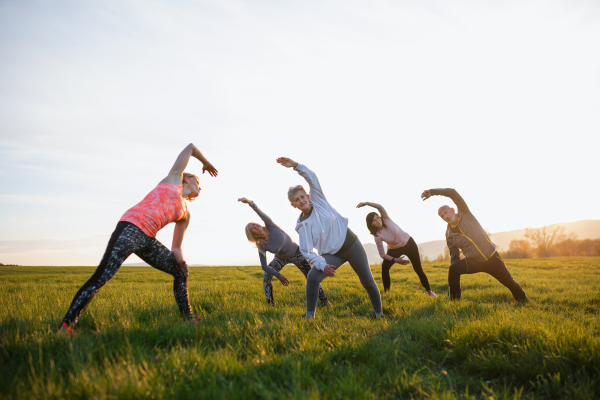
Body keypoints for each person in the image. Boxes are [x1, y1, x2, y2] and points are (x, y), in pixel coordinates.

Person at [58, 143, 218, 335]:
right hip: (130, 228)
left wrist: (182, 262)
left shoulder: (185, 214)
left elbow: (176, 247)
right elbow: (191, 147)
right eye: (198, 182)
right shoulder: (173, 179)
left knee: (179, 273)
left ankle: (188, 320)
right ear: (187, 180)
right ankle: (66, 328)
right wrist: (206, 163)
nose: (200, 186)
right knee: (101, 277)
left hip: (148, 239)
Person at [277, 157, 383, 319]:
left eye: (302, 196)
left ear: (307, 196)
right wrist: (322, 264)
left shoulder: (319, 200)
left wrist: (296, 166)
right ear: (294, 205)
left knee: (367, 281)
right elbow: (306, 251)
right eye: (297, 200)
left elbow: (311, 177)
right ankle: (309, 316)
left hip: (351, 244)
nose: (301, 201)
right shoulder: (302, 226)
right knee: (313, 277)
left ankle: (379, 314)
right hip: (333, 254)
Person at [421, 188, 527, 302]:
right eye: (442, 216)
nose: (445, 216)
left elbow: (452, 192)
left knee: (509, 282)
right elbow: (454, 256)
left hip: (492, 257)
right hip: (474, 262)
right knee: (453, 269)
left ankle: (524, 301)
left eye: (446, 212)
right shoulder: (449, 235)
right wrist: (455, 284)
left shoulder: (465, 214)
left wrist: (432, 192)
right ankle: (454, 302)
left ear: (452, 210)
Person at [238, 198, 330, 307]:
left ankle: (324, 301)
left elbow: (260, 213)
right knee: (266, 275)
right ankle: (271, 305)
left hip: (297, 253)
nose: (255, 226)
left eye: (254, 224)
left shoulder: (270, 226)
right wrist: (278, 275)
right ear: (252, 234)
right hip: (280, 258)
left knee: (310, 275)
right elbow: (264, 266)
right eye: (252, 228)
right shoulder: (261, 245)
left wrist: (250, 203)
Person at [357, 202, 436, 297]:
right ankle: (387, 293)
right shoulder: (377, 235)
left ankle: (429, 292)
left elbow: (380, 207)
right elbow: (382, 254)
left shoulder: (386, 219)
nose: (378, 220)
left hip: (409, 244)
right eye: (374, 220)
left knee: (418, 268)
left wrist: (366, 203)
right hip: (394, 249)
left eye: (377, 217)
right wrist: (395, 260)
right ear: (371, 224)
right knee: (384, 267)